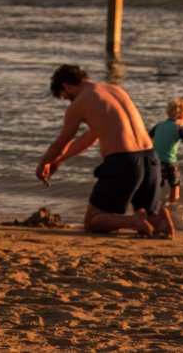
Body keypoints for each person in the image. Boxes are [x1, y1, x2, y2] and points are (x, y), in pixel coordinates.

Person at [36, 64, 174, 238]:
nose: (68, 101)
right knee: (150, 215)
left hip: (124, 162)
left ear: (65, 86)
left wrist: (42, 165)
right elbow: (90, 138)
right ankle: (160, 220)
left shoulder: (80, 102)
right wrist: (57, 161)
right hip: (150, 158)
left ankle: (132, 221)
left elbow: (61, 143)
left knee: (93, 222)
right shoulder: (114, 90)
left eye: (65, 97)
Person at [149, 97, 183, 205]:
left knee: (156, 186)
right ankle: (173, 204)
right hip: (170, 163)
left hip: (155, 162)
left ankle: (155, 205)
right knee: (175, 185)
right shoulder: (179, 129)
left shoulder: (158, 126)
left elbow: (145, 140)